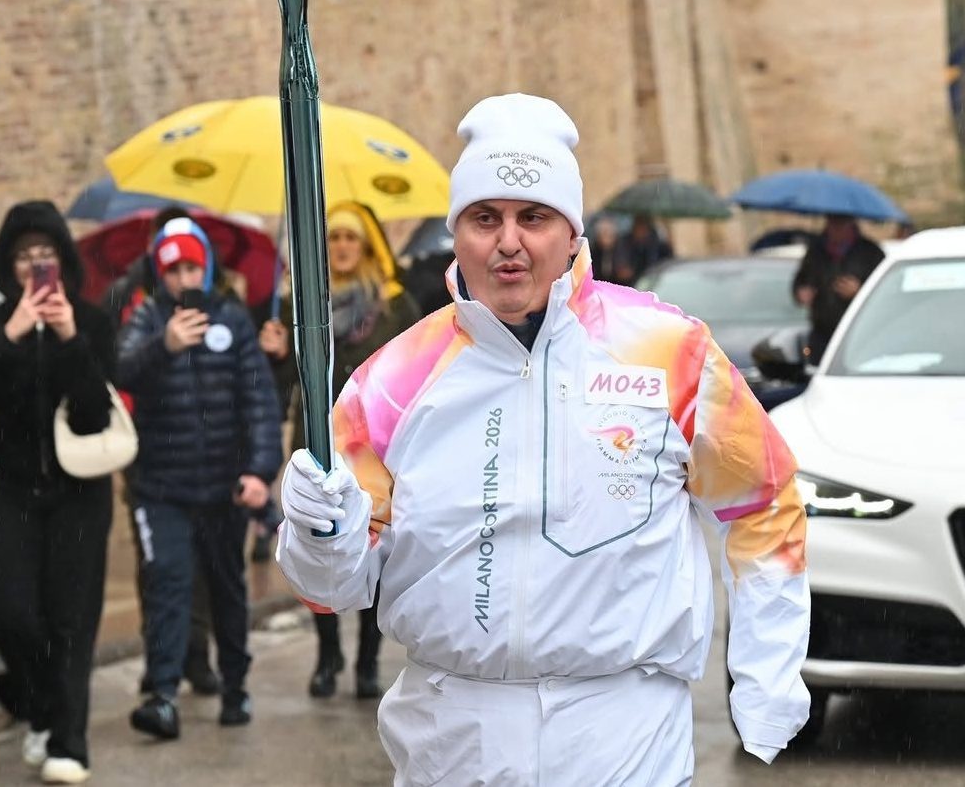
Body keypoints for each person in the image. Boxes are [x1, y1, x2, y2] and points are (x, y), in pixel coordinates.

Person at [277, 94, 810, 785]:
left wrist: (767, 685)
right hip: (453, 736)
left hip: (622, 731)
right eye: (484, 218)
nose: (508, 241)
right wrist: (319, 535)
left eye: (533, 217)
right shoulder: (392, 380)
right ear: (456, 233)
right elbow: (333, 589)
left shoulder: (666, 351)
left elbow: (763, 502)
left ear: (571, 232)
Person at [116, 218, 282, 740]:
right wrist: (162, 345)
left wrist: (259, 472)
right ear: (160, 274)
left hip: (224, 488)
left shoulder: (231, 320)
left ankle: (236, 685)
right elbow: (120, 371)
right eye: (173, 270)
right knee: (167, 582)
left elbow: (259, 403)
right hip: (161, 488)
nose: (184, 279)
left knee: (227, 589)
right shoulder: (147, 319)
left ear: (206, 268)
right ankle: (162, 696)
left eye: (192, 267)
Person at [0, 200, 116, 785]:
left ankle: (69, 743)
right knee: (11, 611)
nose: (35, 265)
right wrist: (13, 331)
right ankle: (41, 708)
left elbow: (95, 410)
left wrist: (68, 336)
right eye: (24, 256)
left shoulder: (91, 322)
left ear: (63, 261)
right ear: (9, 265)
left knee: (71, 619)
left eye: (45, 254)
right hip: (17, 490)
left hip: (82, 493)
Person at [280, 203, 421, 699]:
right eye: (334, 237)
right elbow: (286, 381)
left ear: (365, 248)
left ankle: (366, 660)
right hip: (319, 442)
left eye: (350, 238)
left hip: (373, 449)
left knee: (373, 547)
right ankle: (327, 655)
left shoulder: (392, 305)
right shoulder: (304, 305)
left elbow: (412, 373)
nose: (341, 246)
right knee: (319, 545)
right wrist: (276, 352)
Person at [101, 204, 222, 697]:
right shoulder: (130, 297)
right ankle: (163, 662)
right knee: (160, 566)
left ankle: (196, 654)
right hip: (147, 452)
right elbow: (115, 362)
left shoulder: (217, 302)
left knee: (202, 564)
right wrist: (161, 345)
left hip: (205, 456)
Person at [792, 213, 885, 363]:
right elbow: (801, 281)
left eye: (841, 223)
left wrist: (859, 293)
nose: (835, 228)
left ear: (851, 224)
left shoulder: (870, 252)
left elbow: (885, 292)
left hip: (860, 334)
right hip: (822, 334)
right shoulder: (816, 251)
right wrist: (801, 293)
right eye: (831, 222)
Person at [622, 212, 673, 283]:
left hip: (653, 279)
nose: (641, 231)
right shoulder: (626, 242)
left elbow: (668, 259)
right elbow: (623, 270)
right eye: (639, 226)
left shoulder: (656, 243)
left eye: (643, 227)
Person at [587, 213, 633, 284]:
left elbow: (628, 272)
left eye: (609, 234)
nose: (606, 238)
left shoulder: (622, 251)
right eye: (604, 233)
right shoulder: (591, 252)